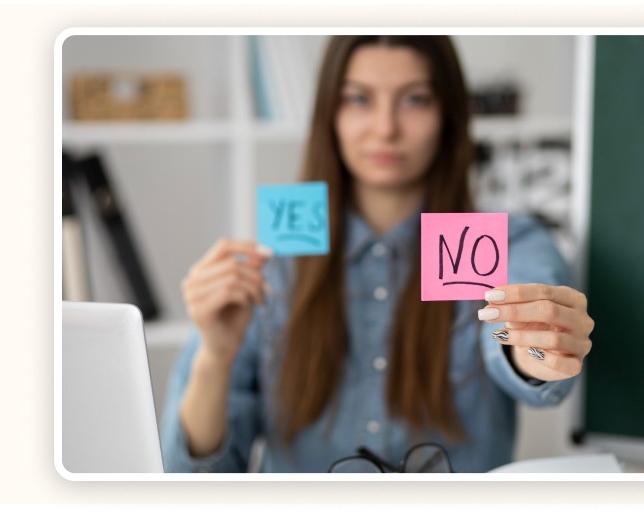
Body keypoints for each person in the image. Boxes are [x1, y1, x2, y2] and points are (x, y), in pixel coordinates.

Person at [159, 35, 594, 473]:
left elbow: (506, 339)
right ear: (330, 114)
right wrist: (214, 357)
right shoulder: (270, 265)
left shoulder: (508, 244)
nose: (385, 127)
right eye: (359, 99)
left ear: (448, 114)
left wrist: (534, 346)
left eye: (415, 99)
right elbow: (194, 475)